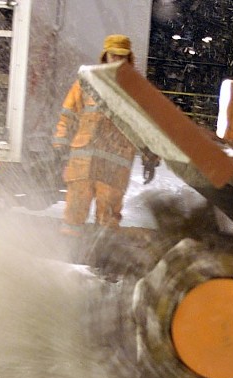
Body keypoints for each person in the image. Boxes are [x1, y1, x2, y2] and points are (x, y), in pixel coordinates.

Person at [52, 34, 157, 236]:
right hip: (83, 161)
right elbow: (68, 116)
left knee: (108, 216)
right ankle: (69, 253)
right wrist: (60, 145)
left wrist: (150, 156)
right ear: (105, 56)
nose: (116, 60)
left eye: (121, 56)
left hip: (114, 166)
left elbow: (147, 129)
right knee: (74, 210)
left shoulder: (136, 91)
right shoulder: (85, 84)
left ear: (129, 59)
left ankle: (103, 257)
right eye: (113, 55)